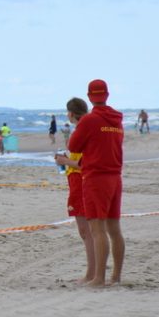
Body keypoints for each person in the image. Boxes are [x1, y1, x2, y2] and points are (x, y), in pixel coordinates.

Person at [66, 79, 124, 287]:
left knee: (97, 229)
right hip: (115, 175)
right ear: (106, 95)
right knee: (114, 229)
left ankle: (99, 277)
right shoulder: (117, 119)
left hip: (96, 176)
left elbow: (74, 145)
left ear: (90, 97)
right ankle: (115, 277)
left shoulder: (90, 120)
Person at [54, 98, 95, 283]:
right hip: (78, 180)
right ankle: (93, 272)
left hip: (80, 182)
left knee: (87, 231)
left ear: (71, 113)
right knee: (90, 231)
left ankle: (91, 273)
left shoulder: (82, 131)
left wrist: (64, 161)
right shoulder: (86, 129)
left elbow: (83, 164)